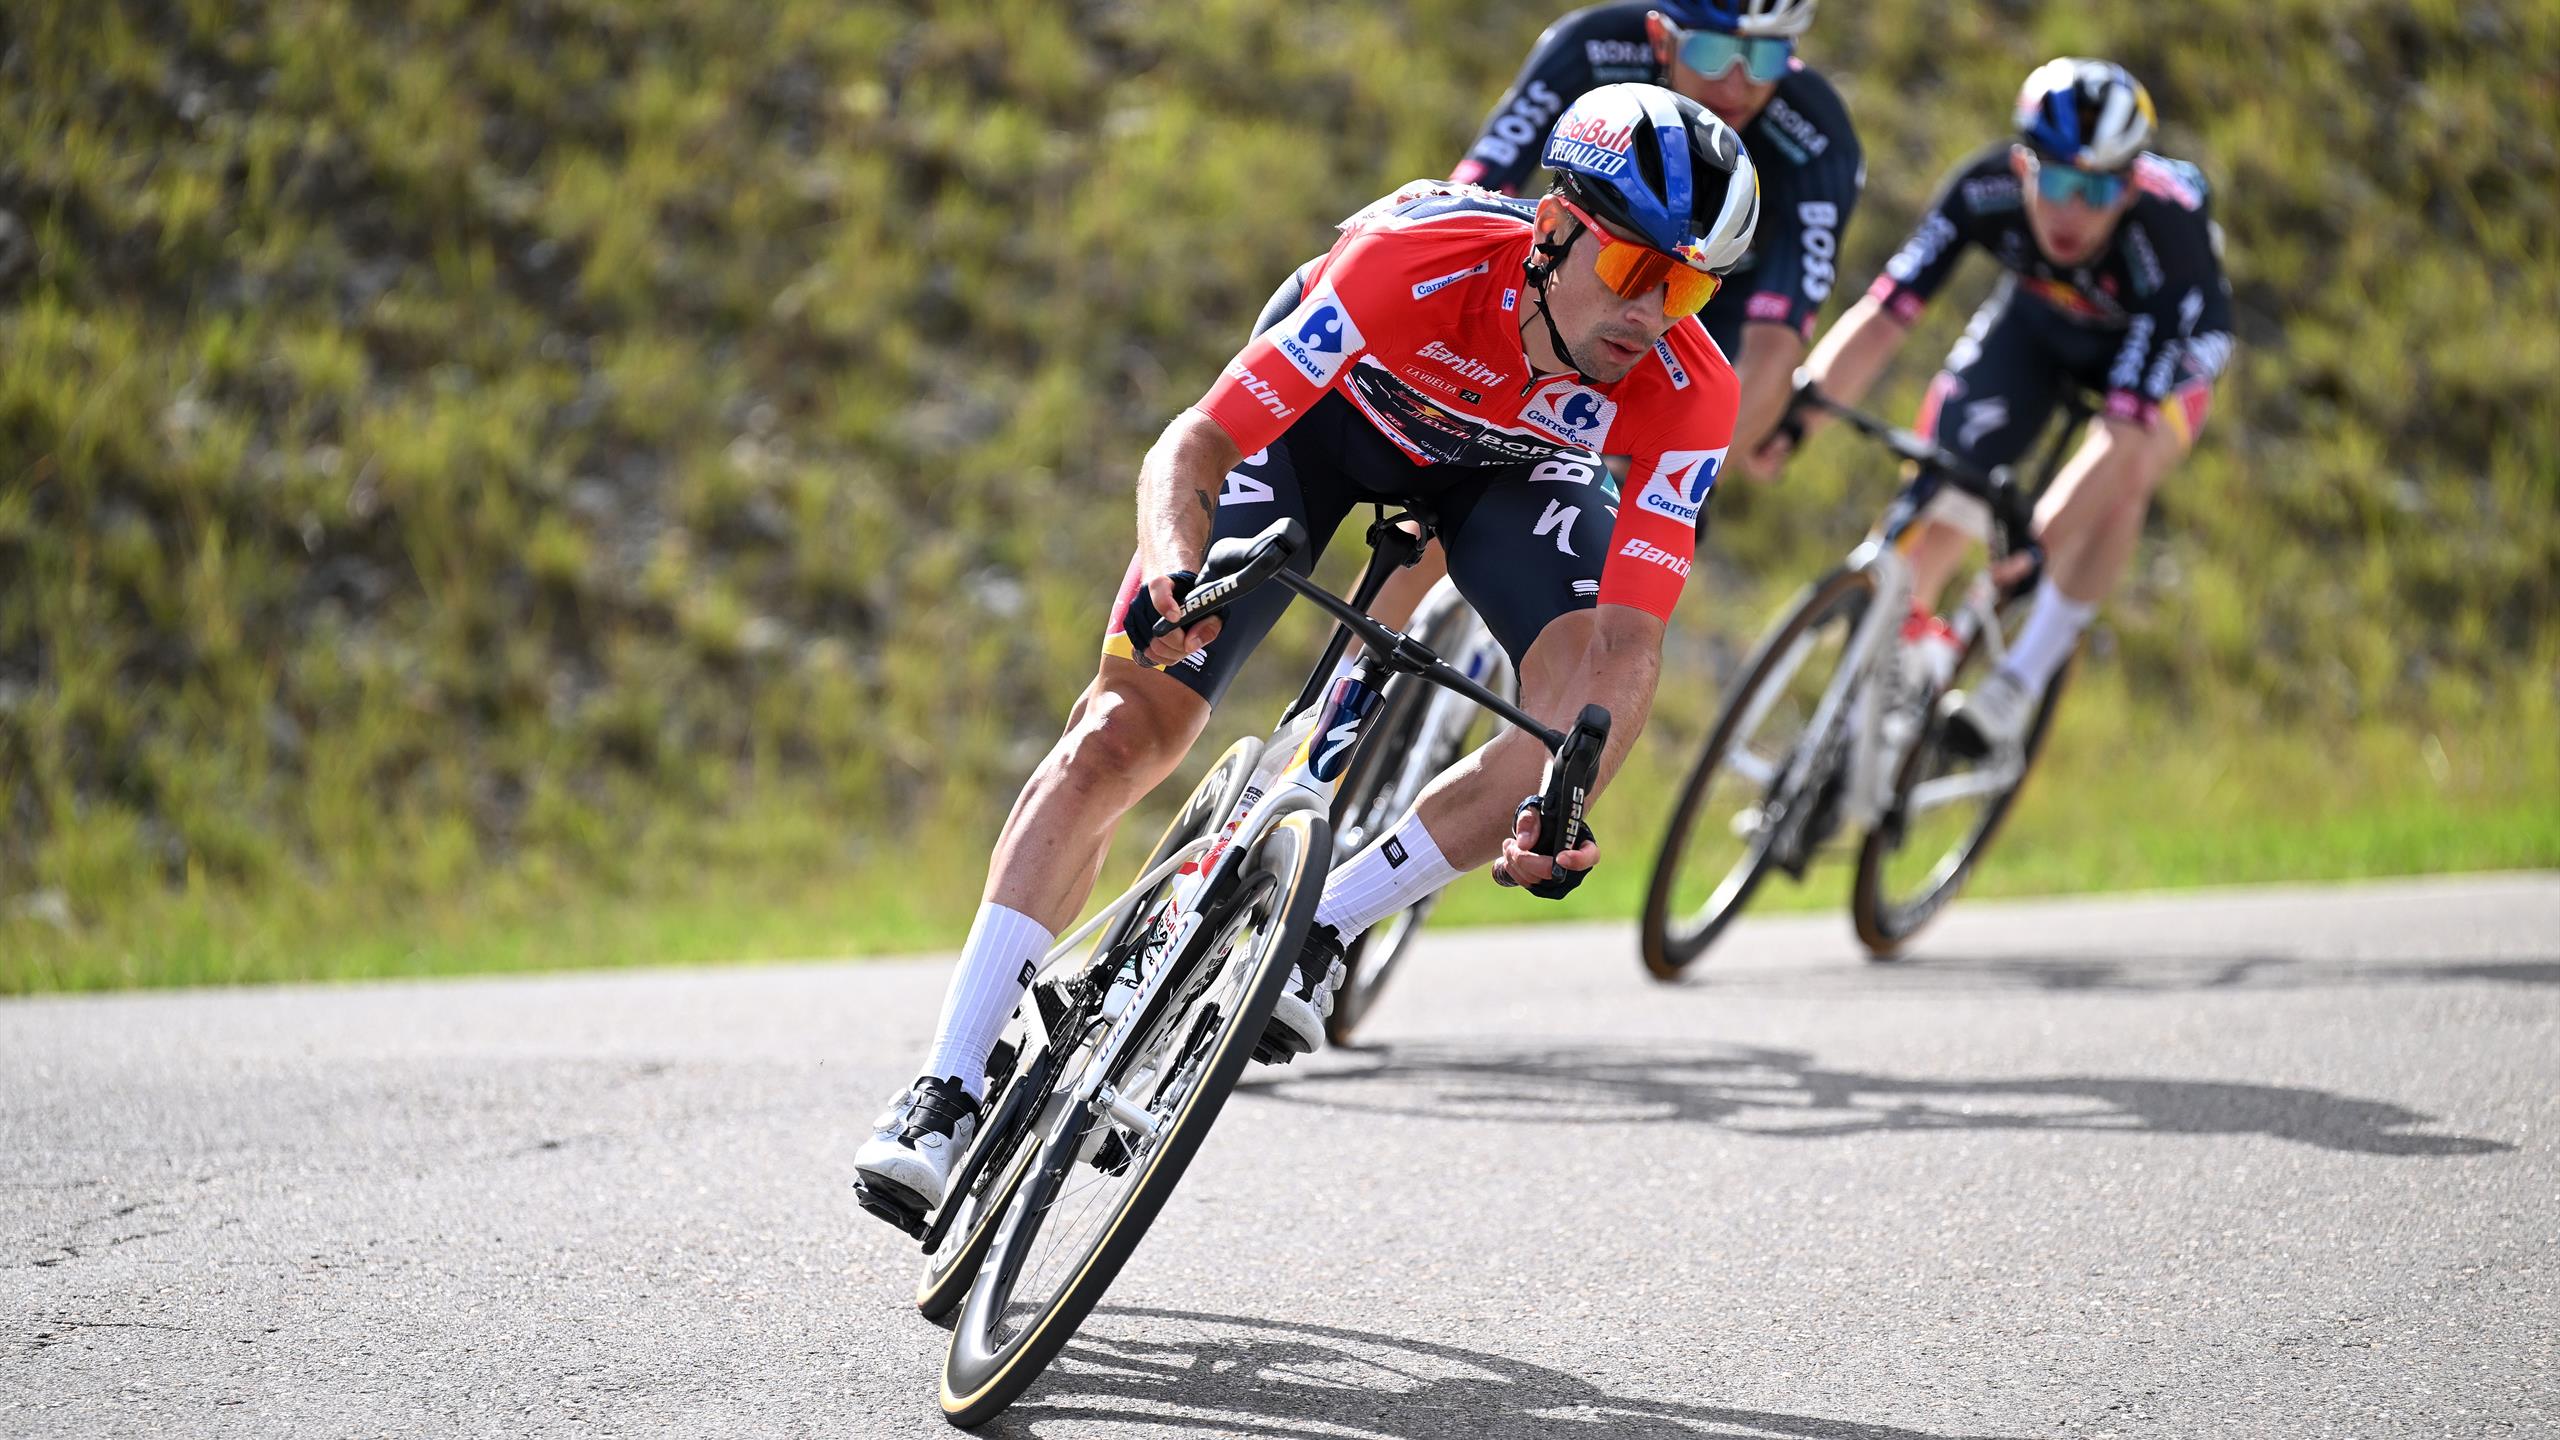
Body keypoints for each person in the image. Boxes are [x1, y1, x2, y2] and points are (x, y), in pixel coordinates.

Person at [855, 85, 1758, 1215]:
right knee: (1121, 730)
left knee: (1571, 732)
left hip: (1506, 477)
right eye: (1636, 274)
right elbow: (1196, 441)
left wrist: (1570, 797)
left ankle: (1320, 924)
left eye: (1688, 290)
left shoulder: (1688, 389)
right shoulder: (1410, 262)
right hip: (1327, 424)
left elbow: (1630, 639)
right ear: (1553, 231)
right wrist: (1177, 571)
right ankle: (943, 1089)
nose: (1656, 316)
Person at [1332, 0, 1859, 647]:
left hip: (1693, 316)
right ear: (1662, 38)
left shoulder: (1817, 130)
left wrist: (1653, 475)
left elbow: (1775, 349)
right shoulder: (1595, 47)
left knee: (1607, 608)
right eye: (1712, 52)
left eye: (1768, 57)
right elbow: (1464, 202)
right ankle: (1331, 704)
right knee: (1440, 507)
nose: (1738, 83)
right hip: (1573, 278)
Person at [1761, 57, 2235, 761]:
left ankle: (2019, 677)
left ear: (2132, 184)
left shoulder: (2169, 240)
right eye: (2059, 180)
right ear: (2023, 166)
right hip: (2042, 325)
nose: (2073, 210)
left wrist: (2036, 543)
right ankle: (1882, 702)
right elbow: (1886, 315)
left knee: (2121, 482)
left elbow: (2123, 427)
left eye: (2098, 188)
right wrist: (1803, 412)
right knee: (1949, 481)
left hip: (2164, 357)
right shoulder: (1984, 188)